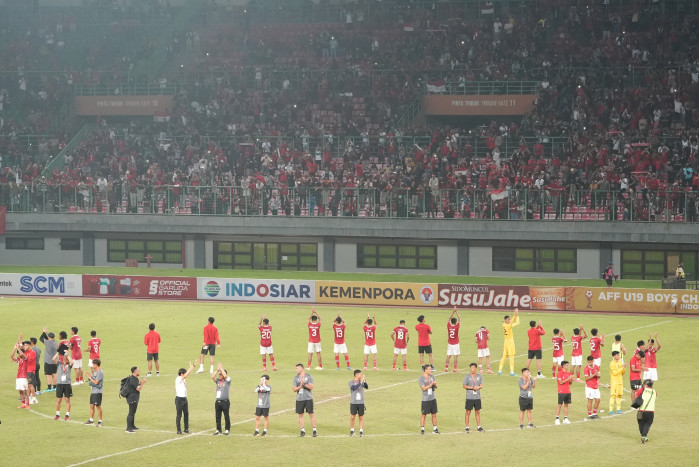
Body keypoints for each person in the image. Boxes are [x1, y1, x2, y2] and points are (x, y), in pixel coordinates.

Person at [292, 363, 317, 437]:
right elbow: (294, 389)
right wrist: (300, 386)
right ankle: (302, 430)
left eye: (297, 368)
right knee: (300, 414)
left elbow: (311, 387)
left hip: (308, 398)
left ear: (301, 368)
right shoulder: (295, 378)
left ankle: (314, 430)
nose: (296, 370)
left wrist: (305, 385)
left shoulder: (309, 376)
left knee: (311, 414)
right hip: (299, 399)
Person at [463, 363, 484, 433]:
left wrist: (477, 387)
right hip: (469, 397)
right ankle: (467, 427)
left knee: (478, 412)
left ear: (475, 368)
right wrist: (472, 388)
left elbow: (481, 385)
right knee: (468, 412)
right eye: (471, 368)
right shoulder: (467, 377)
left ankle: (479, 426)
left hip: (477, 397)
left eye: (473, 368)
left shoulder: (479, 376)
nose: (472, 369)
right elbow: (464, 386)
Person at [53, 348, 74, 420]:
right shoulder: (59, 363)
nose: (63, 357)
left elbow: (72, 362)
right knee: (59, 400)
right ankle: (57, 414)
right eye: (63, 356)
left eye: (64, 356)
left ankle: (67, 415)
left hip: (67, 384)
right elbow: (53, 359)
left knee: (67, 400)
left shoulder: (69, 364)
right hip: (60, 384)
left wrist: (67, 355)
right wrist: (58, 353)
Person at [498, 308, 520, 376]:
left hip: (506, 342)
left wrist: (515, 315)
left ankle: (500, 370)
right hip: (510, 342)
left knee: (504, 356)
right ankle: (512, 372)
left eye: (509, 319)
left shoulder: (504, 324)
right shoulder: (508, 326)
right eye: (508, 319)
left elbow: (511, 321)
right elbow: (517, 323)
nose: (509, 320)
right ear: (505, 320)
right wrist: (517, 315)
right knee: (511, 356)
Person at [175, 361, 195, 434]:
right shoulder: (178, 379)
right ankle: (178, 430)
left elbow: (188, 374)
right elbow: (186, 375)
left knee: (186, 414)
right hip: (179, 399)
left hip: (184, 399)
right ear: (181, 374)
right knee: (179, 415)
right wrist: (192, 366)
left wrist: (191, 368)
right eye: (184, 373)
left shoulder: (183, 379)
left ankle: (186, 429)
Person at [125, 366, 146, 432]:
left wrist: (140, 382)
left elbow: (135, 386)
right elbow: (138, 388)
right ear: (135, 371)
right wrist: (142, 383)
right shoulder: (133, 379)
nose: (139, 372)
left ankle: (132, 426)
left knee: (133, 412)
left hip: (133, 398)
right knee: (131, 413)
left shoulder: (134, 378)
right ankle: (128, 428)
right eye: (138, 371)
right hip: (132, 398)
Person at [418, 365, 439, 434]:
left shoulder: (432, 377)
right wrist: (431, 384)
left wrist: (435, 384)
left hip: (432, 398)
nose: (431, 370)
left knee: (434, 414)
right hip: (425, 399)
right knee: (424, 414)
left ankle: (435, 429)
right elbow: (423, 388)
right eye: (429, 369)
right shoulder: (421, 378)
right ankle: (422, 429)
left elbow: (436, 387)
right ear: (425, 370)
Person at [635, 380, 657, 444]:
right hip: (651, 411)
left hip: (641, 410)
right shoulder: (655, 391)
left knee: (640, 424)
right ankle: (644, 436)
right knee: (648, 424)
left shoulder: (642, 390)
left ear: (645, 385)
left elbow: (636, 397)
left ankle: (643, 435)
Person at [212, 363, 231, 435]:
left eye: (221, 374)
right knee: (217, 416)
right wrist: (217, 369)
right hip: (218, 401)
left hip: (225, 402)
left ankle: (227, 429)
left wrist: (222, 368)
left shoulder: (227, 381)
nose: (219, 375)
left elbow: (226, 376)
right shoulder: (218, 381)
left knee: (226, 416)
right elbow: (212, 376)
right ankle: (218, 429)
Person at [349, 369, 368, 437]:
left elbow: (366, 387)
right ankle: (352, 430)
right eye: (360, 374)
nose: (361, 375)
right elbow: (354, 387)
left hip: (361, 402)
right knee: (352, 417)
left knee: (361, 416)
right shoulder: (351, 382)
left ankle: (361, 431)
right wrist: (361, 382)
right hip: (353, 402)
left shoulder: (361, 381)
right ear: (356, 375)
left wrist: (364, 381)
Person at [11, 339, 29, 410]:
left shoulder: (25, 359)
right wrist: (14, 348)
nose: (18, 355)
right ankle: (23, 403)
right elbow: (11, 356)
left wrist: (18, 348)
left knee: (24, 391)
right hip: (18, 377)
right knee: (20, 391)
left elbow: (22, 354)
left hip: (24, 377)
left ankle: (27, 405)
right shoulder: (18, 360)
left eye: (18, 353)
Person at [85, 358, 103, 427]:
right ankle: (91, 420)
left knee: (98, 406)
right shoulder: (95, 371)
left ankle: (100, 421)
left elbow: (96, 382)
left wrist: (89, 377)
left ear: (96, 364)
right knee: (91, 405)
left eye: (93, 364)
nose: (92, 366)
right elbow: (92, 380)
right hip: (93, 391)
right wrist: (90, 377)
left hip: (98, 392)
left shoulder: (100, 372)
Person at [555, 360, 573, 425]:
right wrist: (569, 378)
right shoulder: (559, 373)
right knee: (559, 405)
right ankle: (557, 419)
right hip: (561, 392)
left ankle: (565, 418)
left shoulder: (568, 373)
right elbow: (561, 382)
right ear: (563, 366)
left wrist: (571, 379)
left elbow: (570, 383)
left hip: (568, 391)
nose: (568, 366)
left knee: (566, 405)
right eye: (567, 365)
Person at [609, 350, 625, 415]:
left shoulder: (620, 362)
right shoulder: (612, 363)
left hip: (620, 381)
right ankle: (610, 410)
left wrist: (623, 368)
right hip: (614, 382)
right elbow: (615, 373)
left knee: (619, 396)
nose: (619, 356)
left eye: (619, 355)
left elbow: (623, 373)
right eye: (617, 355)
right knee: (613, 396)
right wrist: (622, 368)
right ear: (614, 356)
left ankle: (618, 410)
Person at [445, 307, 461, 373]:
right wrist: (456, 312)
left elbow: (449, 319)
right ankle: (455, 368)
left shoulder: (449, 326)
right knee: (455, 356)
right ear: (456, 322)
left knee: (448, 356)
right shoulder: (457, 326)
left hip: (450, 343)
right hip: (456, 343)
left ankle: (446, 368)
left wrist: (452, 312)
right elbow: (460, 319)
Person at [23, 340, 38, 404]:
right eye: (24, 345)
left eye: (26, 345)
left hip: (30, 371)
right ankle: (29, 397)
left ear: (29, 345)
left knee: (30, 385)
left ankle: (34, 398)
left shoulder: (32, 352)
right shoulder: (25, 352)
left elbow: (29, 360)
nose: (25, 346)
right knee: (28, 385)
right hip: (26, 371)